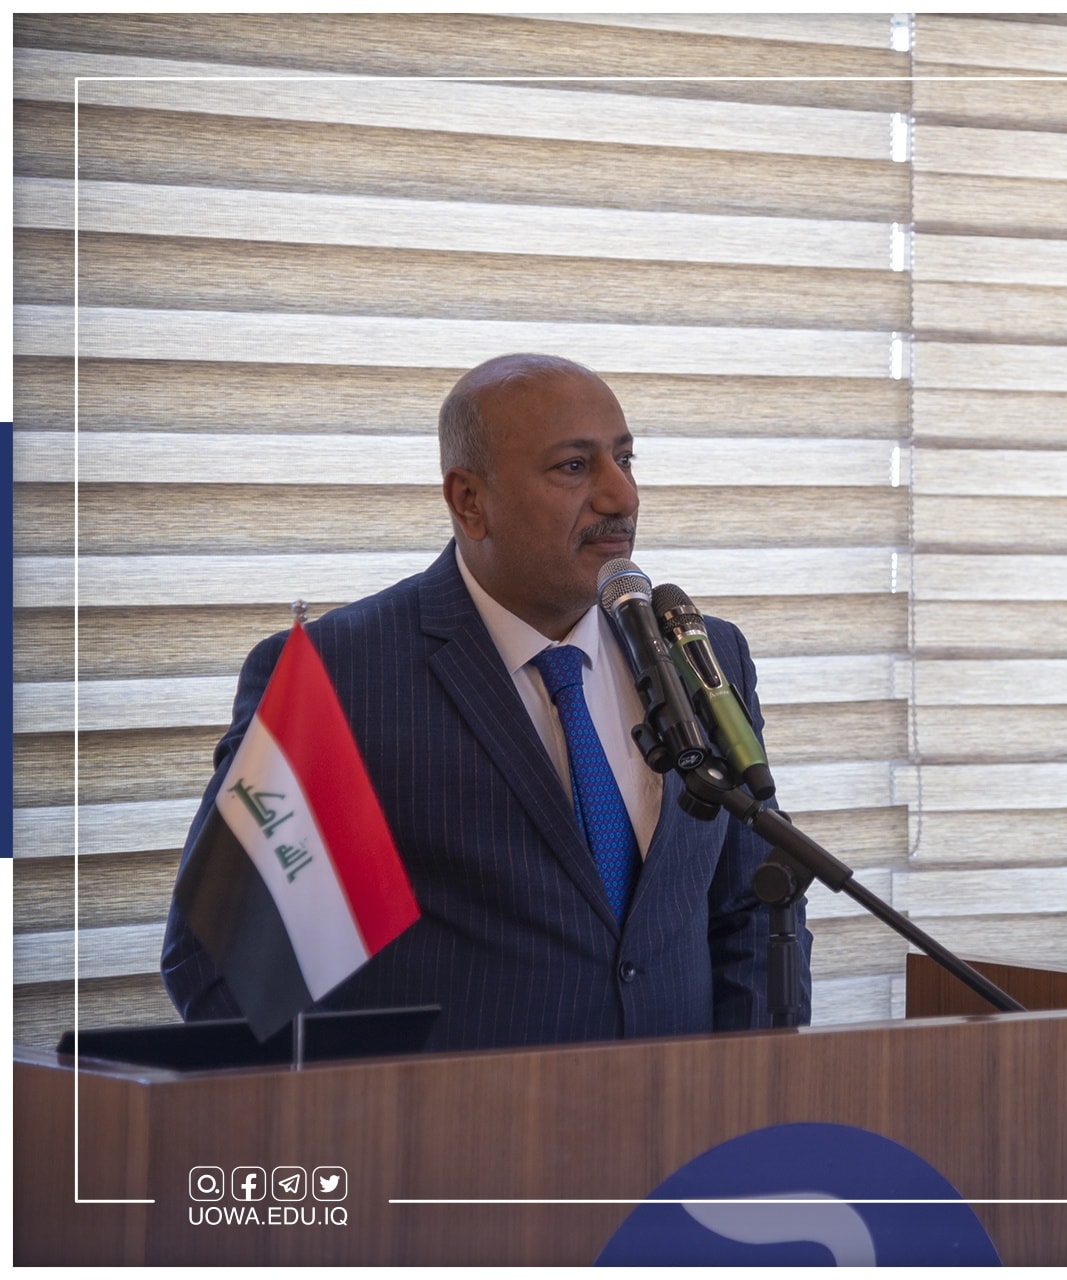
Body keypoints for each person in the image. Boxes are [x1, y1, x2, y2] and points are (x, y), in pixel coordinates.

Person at [160, 353, 810, 1050]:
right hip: (456, 1118)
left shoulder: (703, 655)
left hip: (685, 1110)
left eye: (625, 460)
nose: (622, 496)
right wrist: (378, 1108)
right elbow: (227, 971)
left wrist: (749, 1090)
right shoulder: (344, 675)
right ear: (470, 500)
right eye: (574, 466)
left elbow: (754, 905)